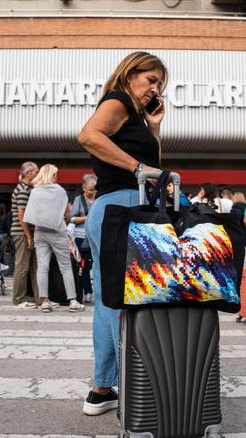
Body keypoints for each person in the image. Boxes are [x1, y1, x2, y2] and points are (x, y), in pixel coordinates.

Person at [77, 51, 166, 416]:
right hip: (124, 206)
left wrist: (155, 128)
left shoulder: (137, 116)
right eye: (151, 79)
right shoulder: (117, 101)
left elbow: (152, 166)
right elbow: (87, 135)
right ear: (131, 73)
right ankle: (135, 388)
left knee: (109, 299)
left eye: (160, 82)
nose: (155, 88)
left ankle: (102, 389)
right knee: (130, 298)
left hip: (111, 209)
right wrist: (138, 165)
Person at [24, 164, 85, 313]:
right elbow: (68, 214)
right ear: (52, 175)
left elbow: (29, 214)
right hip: (58, 231)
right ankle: (72, 301)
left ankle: (45, 301)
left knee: (42, 266)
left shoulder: (35, 191)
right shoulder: (60, 191)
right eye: (56, 174)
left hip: (40, 232)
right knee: (65, 267)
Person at [12, 162, 40, 308]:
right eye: (36, 172)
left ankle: (39, 298)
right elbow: (21, 215)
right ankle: (18, 299)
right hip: (23, 233)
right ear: (28, 173)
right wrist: (29, 236)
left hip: (28, 233)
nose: (37, 175)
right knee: (22, 267)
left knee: (35, 267)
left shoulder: (28, 188)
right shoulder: (23, 190)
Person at [71, 174, 97, 303]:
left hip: (96, 237)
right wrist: (89, 218)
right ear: (83, 188)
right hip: (81, 238)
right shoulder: (78, 200)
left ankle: (95, 292)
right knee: (84, 267)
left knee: (96, 265)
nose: (92, 192)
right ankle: (86, 291)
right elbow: (72, 218)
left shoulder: (98, 198)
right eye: (90, 189)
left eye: (94, 189)